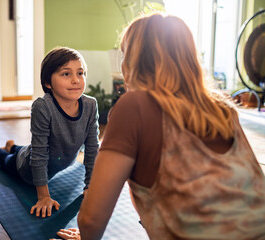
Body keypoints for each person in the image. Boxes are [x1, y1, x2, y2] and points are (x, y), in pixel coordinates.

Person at [54, 13, 265, 240]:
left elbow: (91, 222)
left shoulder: (134, 107)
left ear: (135, 62)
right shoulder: (224, 110)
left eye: (125, 55)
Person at [0, 47, 99, 218]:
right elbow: (38, 154)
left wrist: (91, 187)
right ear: (48, 83)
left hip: (52, 158)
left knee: (27, 148)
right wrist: (44, 196)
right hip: (27, 169)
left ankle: (13, 146)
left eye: (80, 73)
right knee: (6, 160)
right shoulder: (43, 107)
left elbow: (92, 149)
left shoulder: (90, 105)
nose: (76, 80)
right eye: (66, 74)